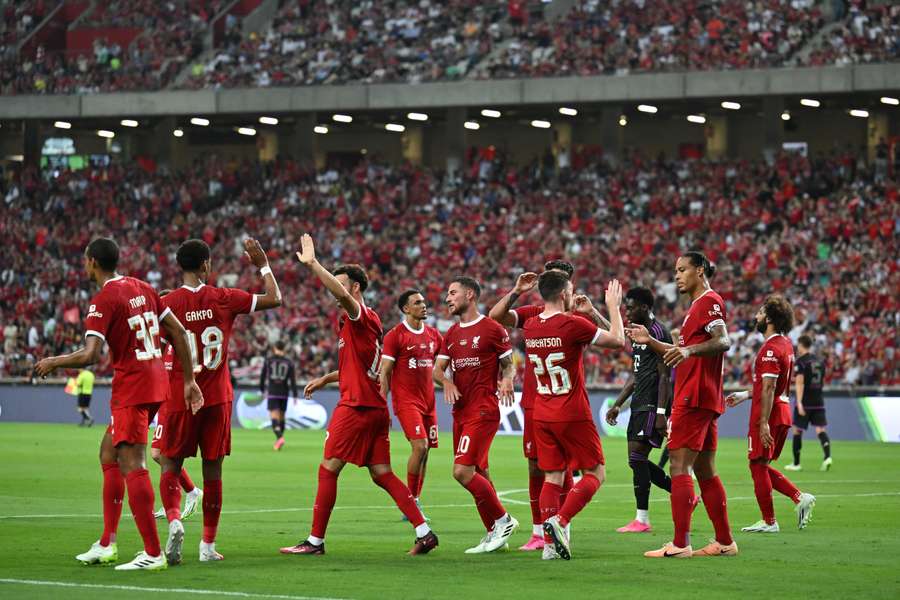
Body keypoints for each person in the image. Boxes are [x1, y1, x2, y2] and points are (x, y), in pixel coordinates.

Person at [34, 237, 203, 571]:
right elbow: (180, 332)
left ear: (92, 262)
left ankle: (152, 553)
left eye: (85, 260)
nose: (84, 264)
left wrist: (53, 362)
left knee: (133, 463)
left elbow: (91, 355)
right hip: (157, 384)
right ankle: (108, 543)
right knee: (109, 453)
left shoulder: (104, 299)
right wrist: (188, 379)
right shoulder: (143, 287)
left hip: (132, 388)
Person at [281, 234, 437, 556]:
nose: (334, 291)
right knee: (382, 474)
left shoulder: (360, 315)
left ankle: (315, 541)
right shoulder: (358, 325)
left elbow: (340, 293)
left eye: (340, 285)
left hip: (355, 408)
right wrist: (326, 377)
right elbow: (360, 369)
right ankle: (424, 532)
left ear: (354, 288)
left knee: (328, 468)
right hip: (375, 409)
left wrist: (312, 264)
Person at [155, 238, 282, 564]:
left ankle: (173, 520)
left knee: (170, 464)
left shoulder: (165, 303)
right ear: (206, 266)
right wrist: (263, 264)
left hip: (182, 395)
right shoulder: (224, 298)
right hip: (217, 398)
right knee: (213, 472)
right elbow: (274, 298)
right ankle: (207, 547)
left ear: (180, 267)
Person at [627, 251, 737, 558]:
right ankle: (725, 542)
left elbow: (724, 341)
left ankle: (679, 544)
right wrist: (650, 340)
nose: (677, 275)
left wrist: (688, 353)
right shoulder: (695, 308)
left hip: (694, 396)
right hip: (704, 396)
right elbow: (680, 351)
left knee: (679, 466)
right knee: (705, 470)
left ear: (700, 270)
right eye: (675, 270)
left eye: (682, 269)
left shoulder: (708, 302)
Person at [488, 260, 603, 550]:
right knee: (538, 467)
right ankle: (542, 531)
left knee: (560, 470)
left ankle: (558, 527)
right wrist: (516, 291)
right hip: (535, 402)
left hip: (557, 400)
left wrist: (595, 312)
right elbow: (496, 315)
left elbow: (611, 337)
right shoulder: (535, 314)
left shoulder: (574, 318)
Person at [525, 272, 625, 560]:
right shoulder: (572, 324)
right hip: (571, 411)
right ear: (562, 294)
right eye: (570, 290)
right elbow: (618, 341)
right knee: (596, 473)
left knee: (553, 477)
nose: (573, 293)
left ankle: (548, 547)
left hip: (542, 412)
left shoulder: (531, 326)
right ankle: (561, 521)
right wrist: (612, 307)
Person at [433, 275, 519, 554]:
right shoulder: (452, 334)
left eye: (452, 292)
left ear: (470, 295)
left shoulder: (493, 329)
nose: (448, 298)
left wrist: (507, 379)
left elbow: (508, 365)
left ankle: (504, 520)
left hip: (483, 410)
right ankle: (494, 533)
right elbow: (437, 369)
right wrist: (446, 381)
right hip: (461, 412)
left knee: (462, 471)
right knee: (480, 472)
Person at [726, 295, 816, 533]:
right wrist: (746, 395)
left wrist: (763, 422)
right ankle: (799, 498)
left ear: (769, 318)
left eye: (760, 312)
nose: (756, 316)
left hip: (770, 413)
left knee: (757, 464)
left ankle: (769, 521)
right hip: (782, 409)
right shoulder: (786, 344)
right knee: (761, 464)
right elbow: (769, 385)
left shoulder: (770, 348)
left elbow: (768, 388)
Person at [605, 286, 673, 533]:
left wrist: (662, 414)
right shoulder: (639, 333)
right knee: (637, 460)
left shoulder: (658, 334)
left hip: (653, 404)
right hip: (638, 403)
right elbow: (635, 375)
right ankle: (680, 493)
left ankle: (642, 520)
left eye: (631, 307)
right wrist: (617, 404)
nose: (627, 311)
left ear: (644, 307)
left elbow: (665, 377)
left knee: (636, 458)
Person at [380, 289, 442, 519]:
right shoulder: (395, 336)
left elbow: (444, 364)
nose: (424, 306)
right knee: (420, 446)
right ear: (406, 309)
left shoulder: (434, 335)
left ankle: (415, 500)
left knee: (426, 453)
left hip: (429, 403)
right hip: (407, 402)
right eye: (418, 303)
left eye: (424, 302)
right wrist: (382, 407)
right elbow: (384, 373)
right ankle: (412, 502)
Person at [785, 335, 831, 471]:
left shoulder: (801, 362)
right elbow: (822, 380)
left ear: (800, 345)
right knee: (820, 430)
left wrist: (799, 402)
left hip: (805, 401)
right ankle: (827, 457)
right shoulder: (820, 361)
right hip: (819, 400)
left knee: (797, 430)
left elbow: (800, 383)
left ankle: (796, 463)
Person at [261, 340, 298, 451]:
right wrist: (295, 395)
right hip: (284, 392)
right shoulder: (289, 362)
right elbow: (292, 380)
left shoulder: (268, 361)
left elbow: (263, 377)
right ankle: (279, 441)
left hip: (273, 391)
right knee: (282, 417)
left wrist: (262, 390)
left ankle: (280, 437)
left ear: (275, 348)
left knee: (274, 416)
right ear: (284, 348)